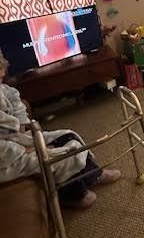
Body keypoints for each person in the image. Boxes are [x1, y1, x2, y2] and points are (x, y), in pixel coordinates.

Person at [0, 53, 120, 207]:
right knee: (61, 157)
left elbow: (15, 99)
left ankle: (94, 175)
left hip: (21, 138)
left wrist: (22, 123)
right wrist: (26, 149)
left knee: (68, 136)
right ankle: (75, 195)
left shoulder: (3, 89)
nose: (2, 79)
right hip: (9, 160)